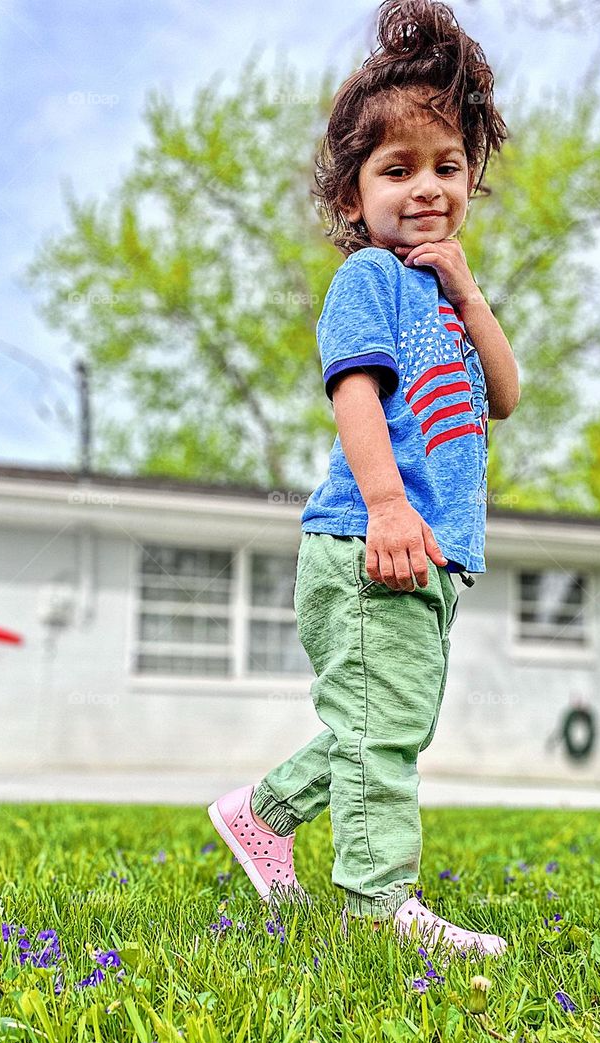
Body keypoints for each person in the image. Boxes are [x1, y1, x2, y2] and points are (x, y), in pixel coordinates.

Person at [208, 0, 519, 960]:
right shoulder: (369, 282)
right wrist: (387, 505)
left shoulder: (446, 299)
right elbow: (353, 394)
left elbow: (504, 395)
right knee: (382, 731)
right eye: (397, 171)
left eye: (446, 167)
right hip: (366, 540)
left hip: (436, 554)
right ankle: (382, 909)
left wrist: (469, 292)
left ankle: (261, 813)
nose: (425, 188)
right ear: (353, 198)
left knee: (385, 722)